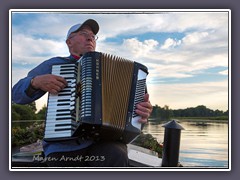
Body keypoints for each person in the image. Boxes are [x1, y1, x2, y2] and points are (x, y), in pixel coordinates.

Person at [12, 19, 153, 167]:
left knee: (116, 155)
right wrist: (35, 82)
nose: (90, 37)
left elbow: (137, 116)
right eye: (83, 33)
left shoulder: (119, 70)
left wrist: (142, 114)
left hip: (104, 141)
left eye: (93, 36)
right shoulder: (55, 64)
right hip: (64, 145)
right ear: (69, 42)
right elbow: (15, 95)